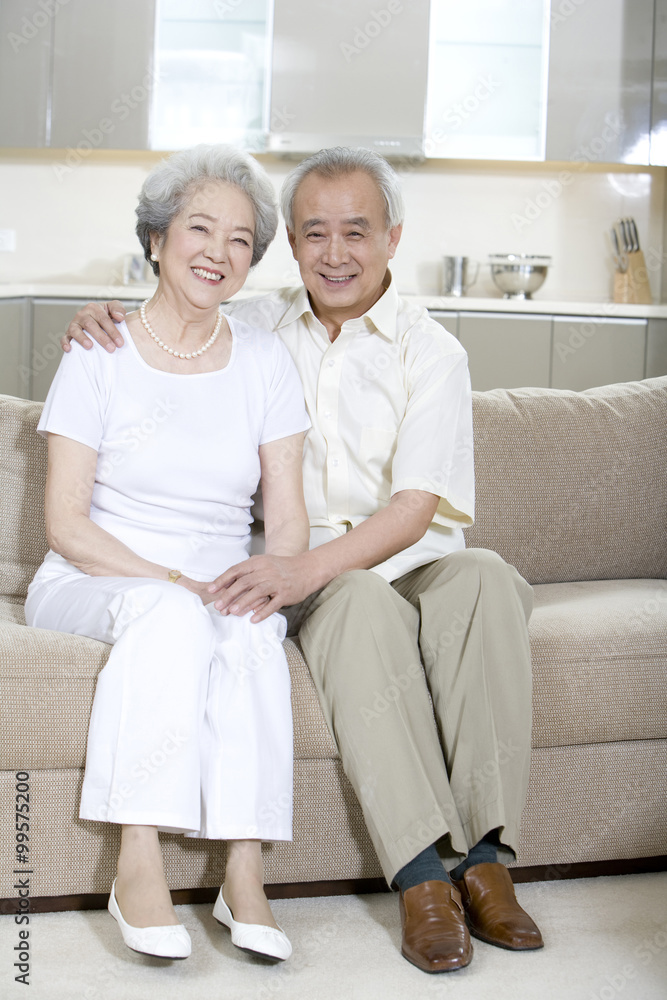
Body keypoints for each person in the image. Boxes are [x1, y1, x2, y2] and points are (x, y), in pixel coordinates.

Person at [63, 146, 543, 974]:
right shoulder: (257, 329)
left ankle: (489, 858)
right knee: (353, 600)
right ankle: (423, 876)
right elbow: (177, 327)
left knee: (488, 579)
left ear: (393, 238)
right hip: (323, 577)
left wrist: (302, 571)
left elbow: (415, 509)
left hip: (402, 555)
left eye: (356, 232)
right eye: (312, 233)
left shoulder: (432, 352)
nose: (335, 253)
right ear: (287, 243)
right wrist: (93, 320)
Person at [26, 144, 311, 963]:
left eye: (239, 240)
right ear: (156, 240)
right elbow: (66, 524)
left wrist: (264, 580)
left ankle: (242, 870)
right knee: (169, 612)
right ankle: (137, 859)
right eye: (198, 228)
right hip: (93, 573)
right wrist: (177, 582)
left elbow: (286, 525)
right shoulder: (98, 351)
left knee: (252, 629)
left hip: (209, 579)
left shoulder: (264, 361)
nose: (217, 252)